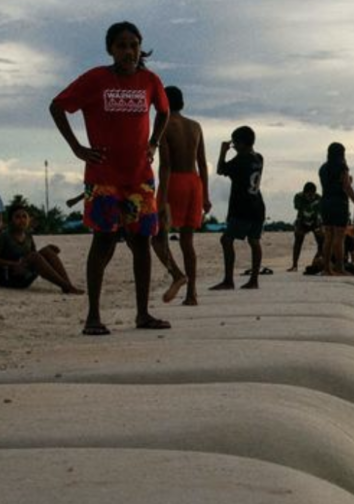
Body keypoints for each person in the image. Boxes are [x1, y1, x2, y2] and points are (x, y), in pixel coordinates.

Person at [50, 21, 171, 335]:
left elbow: (164, 111)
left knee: (141, 242)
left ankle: (143, 313)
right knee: (103, 241)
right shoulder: (95, 79)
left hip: (139, 178)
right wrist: (77, 148)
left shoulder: (150, 81)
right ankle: (93, 316)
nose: (129, 51)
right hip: (103, 176)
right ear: (110, 49)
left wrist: (154, 143)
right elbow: (57, 106)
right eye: (121, 45)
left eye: (134, 45)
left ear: (140, 48)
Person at [151, 85, 211, 306]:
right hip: (194, 183)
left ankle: (177, 274)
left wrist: (162, 198)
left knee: (158, 239)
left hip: (174, 182)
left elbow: (165, 165)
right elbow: (202, 164)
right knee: (187, 241)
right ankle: (192, 294)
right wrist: (206, 195)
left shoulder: (165, 125)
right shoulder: (195, 126)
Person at [210, 126, 265, 291]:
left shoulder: (241, 159)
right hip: (257, 205)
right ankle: (254, 280)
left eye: (235, 143)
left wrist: (223, 152)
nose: (233, 146)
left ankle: (228, 280)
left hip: (242, 207)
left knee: (226, 240)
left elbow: (220, 169)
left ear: (241, 143)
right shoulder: (259, 158)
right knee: (254, 241)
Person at [0, 204, 84, 294]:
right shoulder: (4, 236)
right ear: (10, 221)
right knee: (35, 255)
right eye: (17, 217)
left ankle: (67, 285)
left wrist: (48, 252)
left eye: (24, 216)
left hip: (24, 275)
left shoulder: (28, 235)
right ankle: (67, 286)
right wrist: (14, 264)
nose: (22, 220)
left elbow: (32, 256)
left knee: (47, 251)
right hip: (8, 277)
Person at [320, 143, 354, 276]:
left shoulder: (323, 168)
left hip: (325, 202)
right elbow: (346, 186)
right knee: (339, 237)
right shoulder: (342, 167)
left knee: (328, 236)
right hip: (339, 203)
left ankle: (326, 268)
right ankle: (339, 268)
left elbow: (330, 184)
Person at [288, 182, 323, 272]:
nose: (310, 197)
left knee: (321, 242)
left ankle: (317, 261)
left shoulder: (319, 198)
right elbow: (297, 207)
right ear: (304, 193)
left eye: (312, 195)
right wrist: (311, 204)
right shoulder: (298, 197)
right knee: (298, 242)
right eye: (308, 195)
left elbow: (321, 212)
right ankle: (294, 265)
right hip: (302, 220)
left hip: (315, 221)